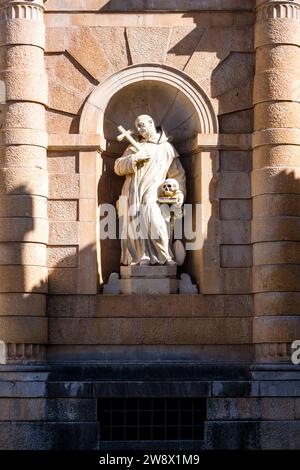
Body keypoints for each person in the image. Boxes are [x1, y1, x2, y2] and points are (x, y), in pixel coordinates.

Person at [114, 114, 186, 266]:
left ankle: (165, 256)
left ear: (151, 123)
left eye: (142, 124)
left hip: (154, 192)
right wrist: (135, 158)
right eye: (137, 126)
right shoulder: (134, 147)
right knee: (135, 223)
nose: (139, 129)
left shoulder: (166, 148)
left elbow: (177, 175)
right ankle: (141, 257)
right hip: (133, 192)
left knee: (155, 220)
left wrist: (179, 193)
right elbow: (118, 167)